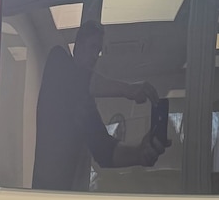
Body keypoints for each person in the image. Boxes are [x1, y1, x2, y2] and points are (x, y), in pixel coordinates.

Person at [32, 20, 161, 191]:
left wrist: (139, 153)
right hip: (43, 196)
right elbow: (77, 79)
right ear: (78, 45)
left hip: (70, 199)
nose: (95, 56)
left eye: (98, 51)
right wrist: (128, 89)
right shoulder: (58, 61)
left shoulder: (86, 108)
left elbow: (104, 151)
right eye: (92, 47)